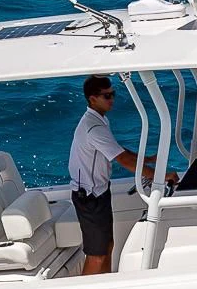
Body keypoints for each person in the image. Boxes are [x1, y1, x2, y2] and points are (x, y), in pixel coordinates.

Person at [69, 74, 173, 275]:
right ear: (92, 99)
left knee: (108, 247)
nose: (112, 99)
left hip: (99, 192)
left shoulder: (98, 120)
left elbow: (117, 150)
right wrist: (157, 176)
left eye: (113, 94)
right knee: (97, 254)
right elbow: (123, 160)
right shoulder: (94, 128)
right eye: (107, 96)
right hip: (90, 198)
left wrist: (146, 160)